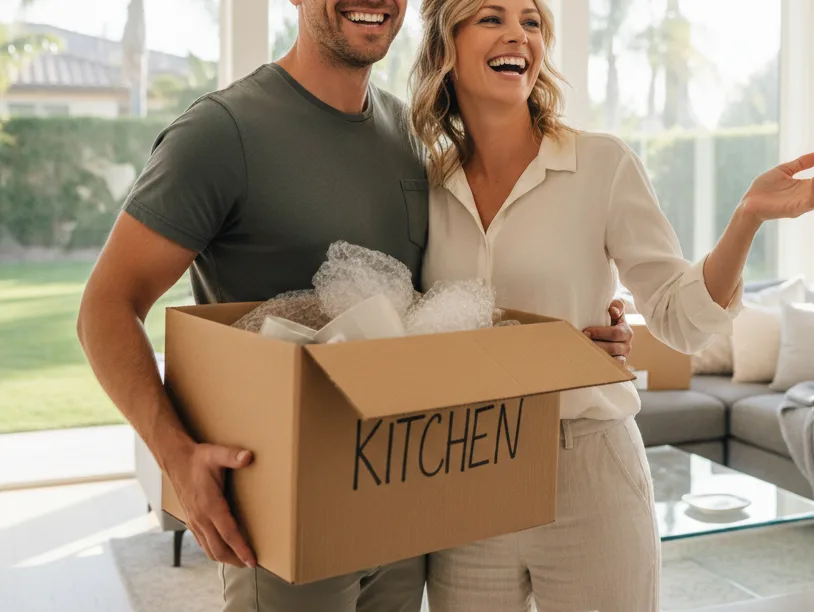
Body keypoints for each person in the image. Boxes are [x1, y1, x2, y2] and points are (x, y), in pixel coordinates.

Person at [75, 1, 632, 610]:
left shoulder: (411, 140)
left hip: (403, 509)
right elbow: (105, 306)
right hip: (281, 517)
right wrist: (174, 456)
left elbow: (449, 298)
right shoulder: (220, 133)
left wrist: (566, 338)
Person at [408, 0, 814, 610]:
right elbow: (408, 328)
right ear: (446, 43)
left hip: (586, 468)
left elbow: (680, 319)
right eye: (491, 17)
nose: (518, 33)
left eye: (532, 21)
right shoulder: (426, 185)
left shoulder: (600, 164)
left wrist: (747, 218)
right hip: (466, 474)